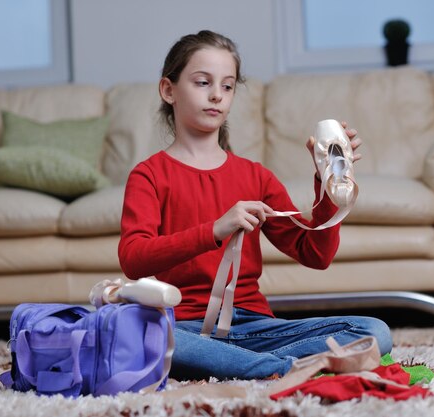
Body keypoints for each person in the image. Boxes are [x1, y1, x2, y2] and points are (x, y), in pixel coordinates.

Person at [118, 30, 392, 381]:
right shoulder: (149, 175)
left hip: (255, 328)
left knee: (374, 331)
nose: (217, 94)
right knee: (146, 337)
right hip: (182, 326)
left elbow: (315, 255)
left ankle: (242, 363)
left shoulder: (255, 177)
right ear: (168, 90)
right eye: (203, 82)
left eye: (228, 86)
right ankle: (285, 368)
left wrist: (328, 187)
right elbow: (133, 257)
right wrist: (215, 230)